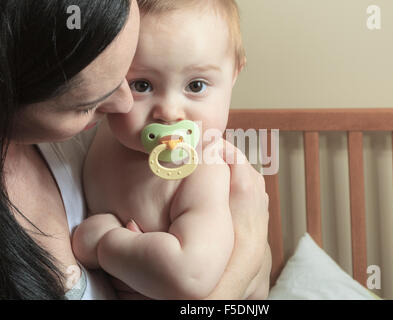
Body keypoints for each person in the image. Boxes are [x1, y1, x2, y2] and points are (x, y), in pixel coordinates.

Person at [0, 0, 270, 300]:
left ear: (234, 73)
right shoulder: (101, 136)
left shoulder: (206, 169)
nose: (169, 112)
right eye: (141, 84)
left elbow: (191, 275)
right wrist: (250, 250)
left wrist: (106, 243)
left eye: (195, 86)